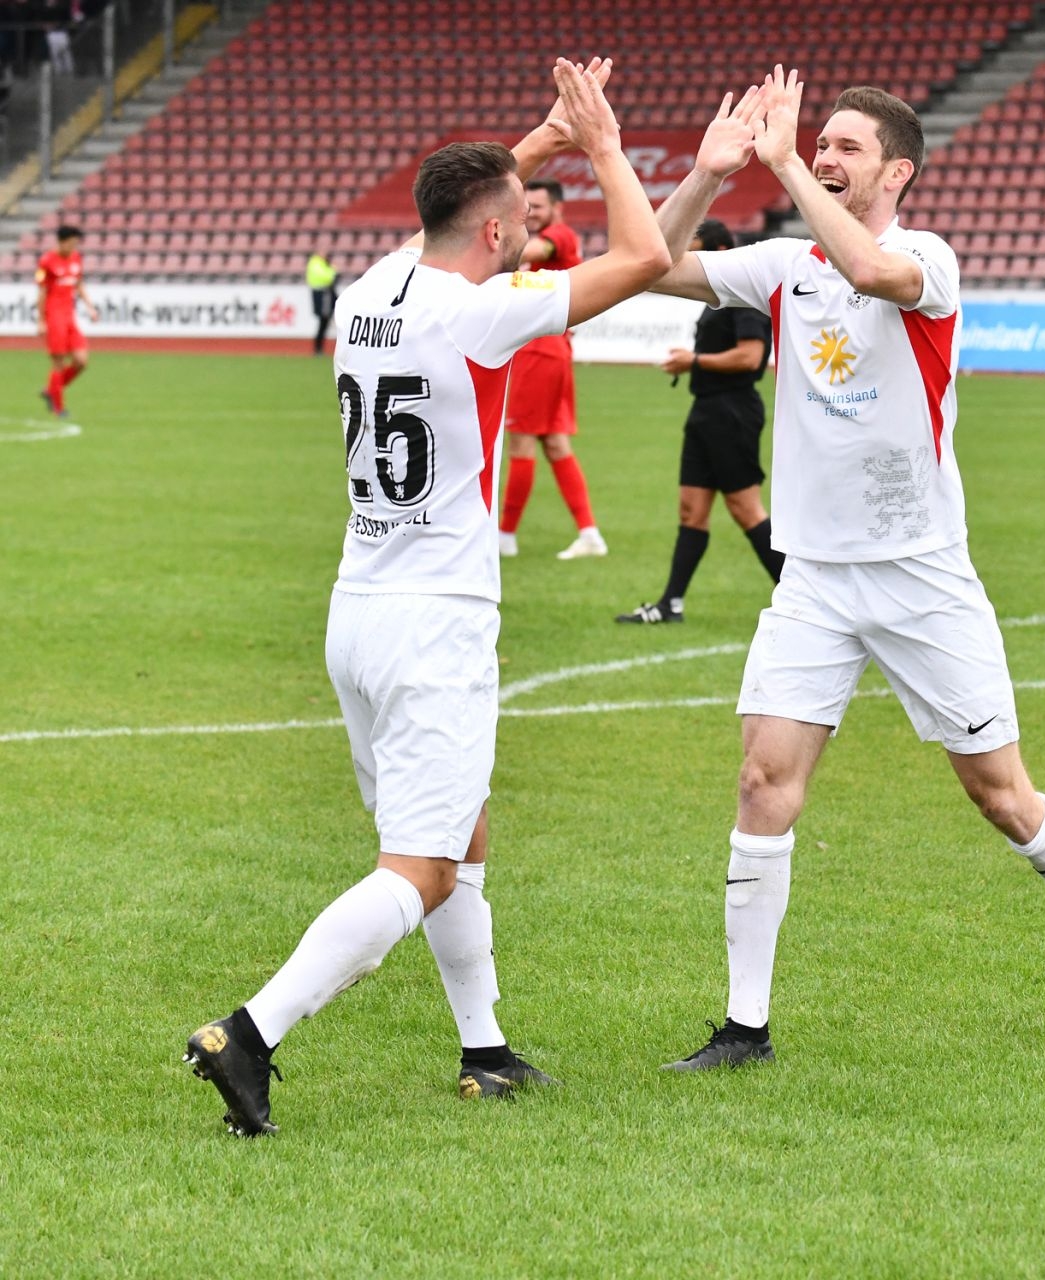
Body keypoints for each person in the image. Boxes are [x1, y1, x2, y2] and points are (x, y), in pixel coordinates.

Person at [183, 58, 685, 1136]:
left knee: (462, 832)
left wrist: (539, 140)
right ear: (499, 230)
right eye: (520, 216)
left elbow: (459, 207)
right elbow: (647, 256)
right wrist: (600, 143)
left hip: (358, 609)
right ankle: (250, 1032)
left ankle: (485, 1048)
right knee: (418, 868)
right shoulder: (483, 312)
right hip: (435, 621)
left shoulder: (372, 288)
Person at [641, 68, 1045, 1070]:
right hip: (815, 576)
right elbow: (653, 263)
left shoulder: (926, 257)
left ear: (898, 172)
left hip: (921, 574)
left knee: (1002, 796)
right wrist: (708, 175)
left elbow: (872, 272)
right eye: (820, 142)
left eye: (847, 146)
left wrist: (786, 167)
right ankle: (746, 1027)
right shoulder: (785, 264)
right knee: (762, 781)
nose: (825, 154)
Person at [616, 218, 781, 625]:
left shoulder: (745, 299)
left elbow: (751, 357)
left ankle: (802, 595)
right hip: (706, 410)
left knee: (746, 509)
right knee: (691, 510)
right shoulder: (719, 299)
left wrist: (694, 361)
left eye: (695, 250)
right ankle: (670, 604)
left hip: (733, 412)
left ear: (720, 251)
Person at [498, 177, 604, 560]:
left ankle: (504, 536)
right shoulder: (554, 237)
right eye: (527, 208)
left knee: (521, 441)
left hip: (539, 350)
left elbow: (537, 248)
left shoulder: (557, 235)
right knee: (555, 444)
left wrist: (494, 241)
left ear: (558, 208)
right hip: (552, 349)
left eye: (538, 207)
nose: (531, 214)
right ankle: (589, 533)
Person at [36, 224, 97, 419]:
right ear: (61, 242)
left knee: (81, 361)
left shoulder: (76, 258)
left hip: (70, 317)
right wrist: (41, 320)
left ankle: (51, 390)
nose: (74, 247)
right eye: (71, 243)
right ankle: (59, 408)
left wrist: (90, 307)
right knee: (59, 363)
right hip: (54, 317)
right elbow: (42, 292)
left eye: (76, 244)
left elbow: (79, 284)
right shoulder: (47, 261)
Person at [306, 249, 338, 355]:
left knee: (324, 321)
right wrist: (333, 271)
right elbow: (327, 277)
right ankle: (318, 348)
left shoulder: (319, 264)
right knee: (324, 320)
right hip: (323, 294)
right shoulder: (317, 264)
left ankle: (319, 347)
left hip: (324, 293)